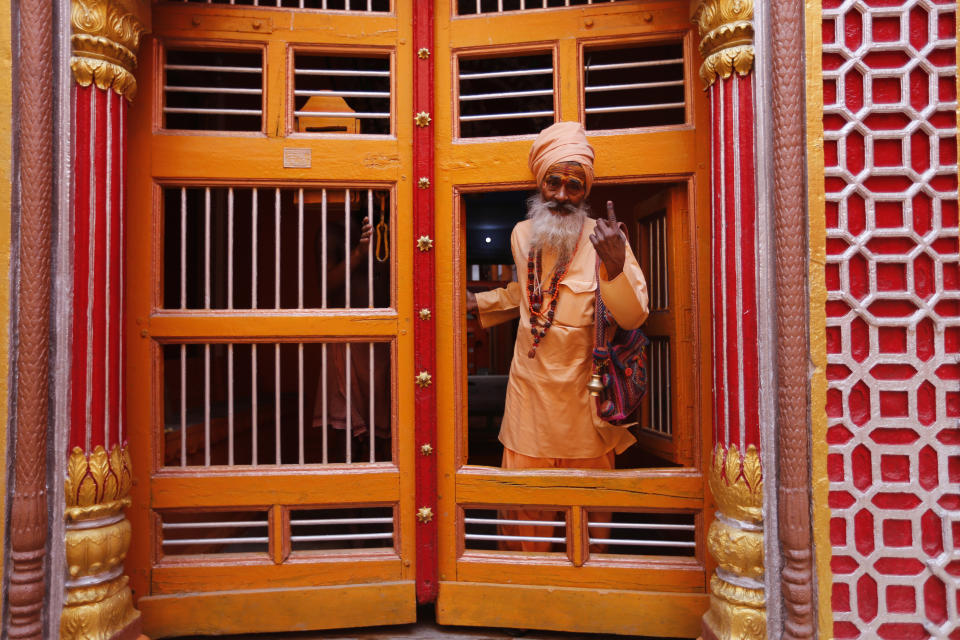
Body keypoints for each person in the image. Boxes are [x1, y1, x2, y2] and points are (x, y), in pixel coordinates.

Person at [465, 121, 649, 551]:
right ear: (539, 183)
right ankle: (526, 594)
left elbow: (635, 314)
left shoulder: (607, 239)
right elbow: (531, 294)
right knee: (524, 510)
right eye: (554, 182)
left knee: (587, 514)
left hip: (587, 402)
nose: (563, 196)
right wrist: (481, 304)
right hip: (530, 398)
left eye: (574, 186)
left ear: (585, 192)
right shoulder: (521, 235)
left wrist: (616, 264)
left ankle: (582, 590)